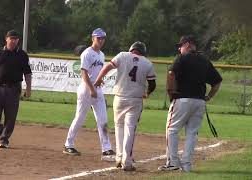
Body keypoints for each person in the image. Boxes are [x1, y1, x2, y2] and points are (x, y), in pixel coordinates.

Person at [158, 35, 222, 172]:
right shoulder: (205, 61)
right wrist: (209, 97)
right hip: (199, 102)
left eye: (180, 46)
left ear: (187, 45)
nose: (179, 49)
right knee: (192, 133)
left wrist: (170, 92)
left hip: (182, 99)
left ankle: (173, 163)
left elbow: (171, 73)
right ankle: (186, 166)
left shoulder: (182, 58)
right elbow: (217, 82)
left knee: (172, 130)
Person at [94, 41, 157, 171]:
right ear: (143, 52)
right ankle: (127, 161)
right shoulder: (147, 63)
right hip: (135, 99)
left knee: (119, 127)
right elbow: (152, 84)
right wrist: (148, 93)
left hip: (119, 98)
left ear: (131, 49)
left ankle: (119, 157)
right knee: (130, 129)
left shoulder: (122, 55)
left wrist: (99, 78)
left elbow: (107, 67)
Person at [63, 28, 115, 160]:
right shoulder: (87, 53)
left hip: (97, 89)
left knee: (103, 119)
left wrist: (99, 80)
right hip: (86, 89)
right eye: (99, 38)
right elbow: (84, 74)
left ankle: (107, 148)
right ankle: (68, 144)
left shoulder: (101, 55)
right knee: (80, 117)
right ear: (93, 38)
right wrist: (92, 89)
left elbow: (96, 72)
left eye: (103, 38)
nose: (101, 40)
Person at [0, 30, 32, 148]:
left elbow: (27, 73)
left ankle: (4, 140)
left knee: (11, 116)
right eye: (11, 38)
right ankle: (0, 132)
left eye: (16, 39)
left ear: (18, 40)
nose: (13, 40)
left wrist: (28, 89)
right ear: (6, 39)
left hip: (14, 88)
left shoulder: (22, 55)